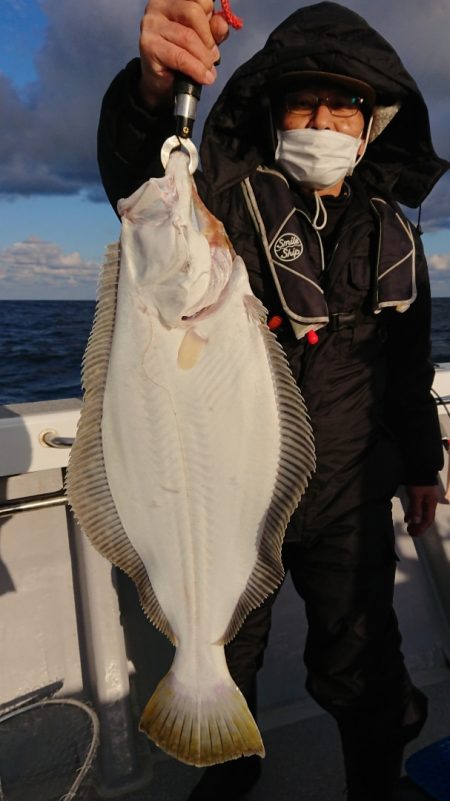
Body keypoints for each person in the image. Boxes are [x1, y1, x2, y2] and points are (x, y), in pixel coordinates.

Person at [97, 2, 449, 799]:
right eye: (303, 103)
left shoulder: (394, 232)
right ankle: (226, 775)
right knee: (229, 647)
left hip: (350, 492)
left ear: (371, 124)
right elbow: (142, 174)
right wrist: (154, 88)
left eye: (343, 105)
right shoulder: (221, 194)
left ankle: (377, 781)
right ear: (275, 112)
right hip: (230, 492)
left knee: (365, 660)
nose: (322, 120)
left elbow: (405, 364)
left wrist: (422, 463)